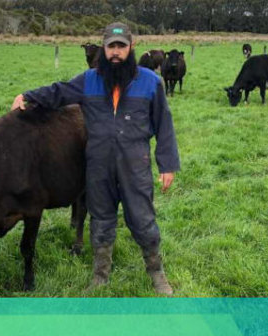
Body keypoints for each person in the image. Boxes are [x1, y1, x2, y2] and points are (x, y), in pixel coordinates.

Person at [11, 23, 180, 295]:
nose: (115, 53)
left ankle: (156, 273)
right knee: (101, 219)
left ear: (131, 47)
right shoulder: (89, 80)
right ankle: (101, 275)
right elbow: (59, 91)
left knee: (143, 219)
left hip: (134, 165)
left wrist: (168, 164)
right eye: (111, 47)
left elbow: (164, 124)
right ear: (103, 48)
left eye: (121, 47)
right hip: (99, 166)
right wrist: (28, 96)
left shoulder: (150, 82)